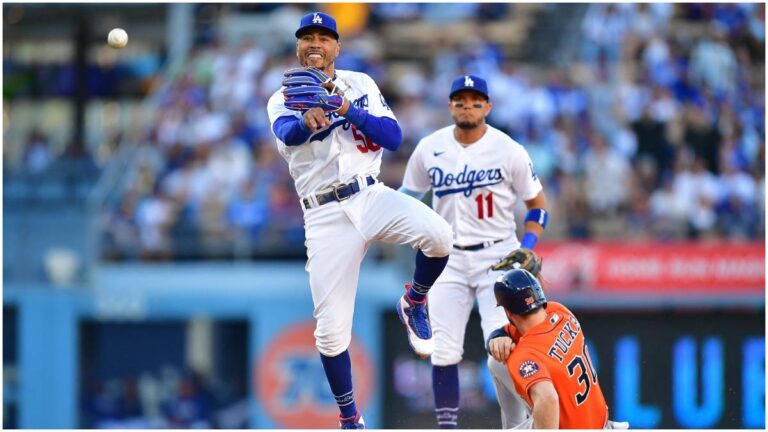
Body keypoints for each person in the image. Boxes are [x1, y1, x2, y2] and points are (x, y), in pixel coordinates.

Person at [266, 12, 454, 429]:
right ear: (298, 47)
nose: (315, 43)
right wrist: (307, 121)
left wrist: (347, 108)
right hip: (324, 215)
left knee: (440, 235)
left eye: (324, 37)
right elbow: (288, 133)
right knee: (331, 335)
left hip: (369, 194)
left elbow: (392, 137)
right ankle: (351, 420)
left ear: (337, 46)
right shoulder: (282, 96)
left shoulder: (361, 84)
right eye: (307, 37)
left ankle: (415, 300)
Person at [399, 75, 548, 428]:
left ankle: (520, 422)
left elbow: (538, 205)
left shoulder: (508, 149)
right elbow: (407, 196)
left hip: (498, 255)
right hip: (446, 257)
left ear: (488, 107)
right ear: (450, 105)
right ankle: (447, 425)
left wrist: (528, 247)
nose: (468, 105)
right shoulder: (429, 147)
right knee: (443, 350)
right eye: (461, 100)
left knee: (502, 345)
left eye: (476, 100)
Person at [488, 269, 629, 429]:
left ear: (508, 312)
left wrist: (495, 337)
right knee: (496, 362)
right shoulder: (560, 311)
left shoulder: (523, 356)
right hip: (601, 423)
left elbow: (548, 399)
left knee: (540, 395)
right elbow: (511, 330)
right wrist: (496, 335)